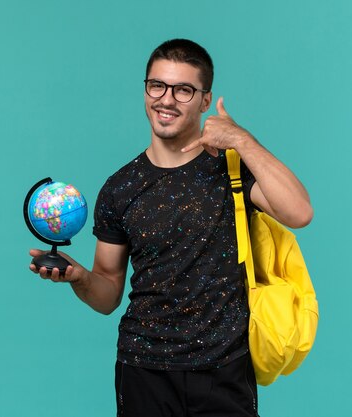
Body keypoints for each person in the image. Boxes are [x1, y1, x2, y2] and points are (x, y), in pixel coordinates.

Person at [29, 38, 313, 417]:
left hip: (224, 368)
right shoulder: (120, 188)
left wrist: (241, 139)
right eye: (157, 86)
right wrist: (80, 277)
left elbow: (299, 212)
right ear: (146, 90)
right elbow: (108, 293)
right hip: (143, 369)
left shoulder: (232, 169)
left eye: (183, 90)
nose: (167, 100)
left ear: (205, 100)